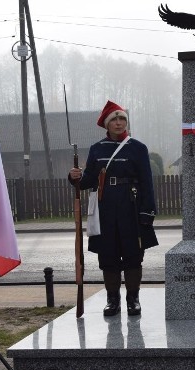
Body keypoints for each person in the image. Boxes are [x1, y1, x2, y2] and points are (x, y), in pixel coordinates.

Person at [69, 100, 158, 317]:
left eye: (122, 119)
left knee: (133, 255)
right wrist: (75, 178)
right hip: (105, 209)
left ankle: (133, 299)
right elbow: (89, 180)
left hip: (131, 207)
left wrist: (147, 212)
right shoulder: (97, 149)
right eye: (114, 120)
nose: (119, 123)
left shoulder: (137, 148)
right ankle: (112, 299)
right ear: (107, 124)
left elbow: (147, 182)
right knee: (108, 256)